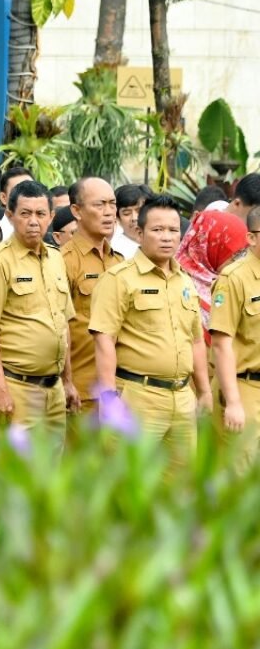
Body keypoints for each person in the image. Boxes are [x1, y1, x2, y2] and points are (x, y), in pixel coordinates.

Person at [91, 196, 212, 465]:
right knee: (130, 484)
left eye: (173, 230)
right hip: (138, 397)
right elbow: (104, 340)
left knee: (181, 487)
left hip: (181, 398)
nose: (167, 237)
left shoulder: (185, 280)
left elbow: (195, 341)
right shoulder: (119, 279)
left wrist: (204, 391)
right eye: (158, 230)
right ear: (140, 232)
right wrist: (109, 400)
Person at [0, 180, 78, 443]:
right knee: (10, 476)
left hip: (52, 390)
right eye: (25, 213)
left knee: (51, 476)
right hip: (14, 386)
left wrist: (67, 381)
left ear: (51, 217)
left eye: (41, 214)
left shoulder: (55, 258)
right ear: (10, 216)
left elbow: (63, 324)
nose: (34, 221)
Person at [60, 177, 123, 414]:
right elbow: (60, 326)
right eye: (99, 205)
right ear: (76, 211)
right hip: (82, 390)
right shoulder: (63, 261)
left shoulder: (119, 262)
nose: (109, 213)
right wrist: (66, 381)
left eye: (112, 204)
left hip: (120, 389)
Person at [210, 206, 260, 459]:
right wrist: (233, 402)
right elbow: (220, 344)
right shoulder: (234, 279)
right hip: (244, 387)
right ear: (251, 238)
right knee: (240, 473)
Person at [175, 209, 248, 343]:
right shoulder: (178, 286)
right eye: (237, 255)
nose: (243, 261)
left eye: (245, 252)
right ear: (211, 250)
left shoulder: (235, 281)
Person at [0, 165, 34, 243]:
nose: (26, 196)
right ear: (3, 198)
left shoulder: (48, 233)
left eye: (30, 189)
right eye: (18, 191)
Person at [112, 184, 152, 258]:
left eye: (139, 211)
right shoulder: (114, 252)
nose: (134, 218)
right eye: (127, 213)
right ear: (117, 218)